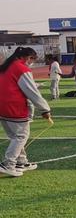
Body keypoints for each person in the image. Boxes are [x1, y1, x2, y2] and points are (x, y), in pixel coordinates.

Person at [0, 47, 52, 177]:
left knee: (15, 136)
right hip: (14, 107)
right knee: (21, 136)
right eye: (32, 60)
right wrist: (45, 109)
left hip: (3, 107)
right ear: (27, 58)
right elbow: (31, 91)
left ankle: (21, 161)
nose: (31, 63)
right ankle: (8, 164)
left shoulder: (5, 67)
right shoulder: (21, 69)